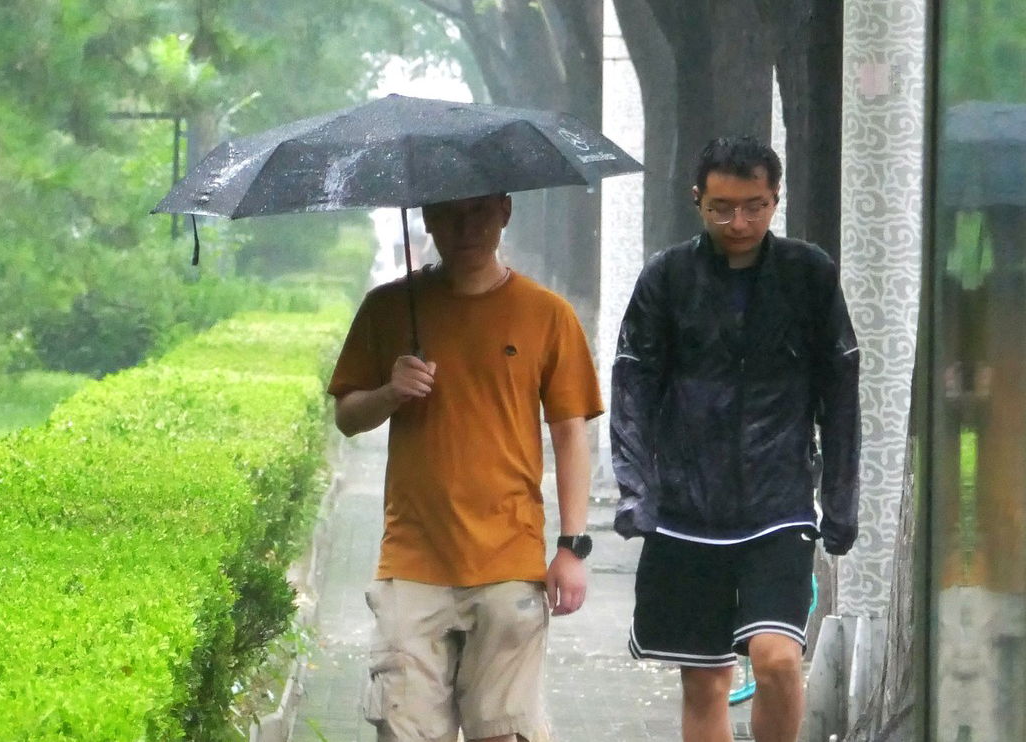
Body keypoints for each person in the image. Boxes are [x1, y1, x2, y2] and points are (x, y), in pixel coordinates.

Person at [611, 136, 861, 742]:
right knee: (705, 680)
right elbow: (632, 384)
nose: (738, 221)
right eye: (722, 207)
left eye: (754, 205)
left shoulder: (808, 275)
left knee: (775, 659)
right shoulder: (667, 277)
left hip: (778, 502)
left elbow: (841, 387)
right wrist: (635, 489)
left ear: (776, 201)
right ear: (698, 201)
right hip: (685, 506)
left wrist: (841, 499)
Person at [330, 192, 604, 742]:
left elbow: (571, 431)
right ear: (427, 217)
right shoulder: (389, 308)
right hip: (413, 558)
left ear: (505, 210)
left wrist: (573, 547)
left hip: (510, 558)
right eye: (450, 213)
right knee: (404, 731)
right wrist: (389, 392)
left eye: (480, 211)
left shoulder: (547, 313)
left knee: (503, 732)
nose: (467, 227)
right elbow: (346, 416)